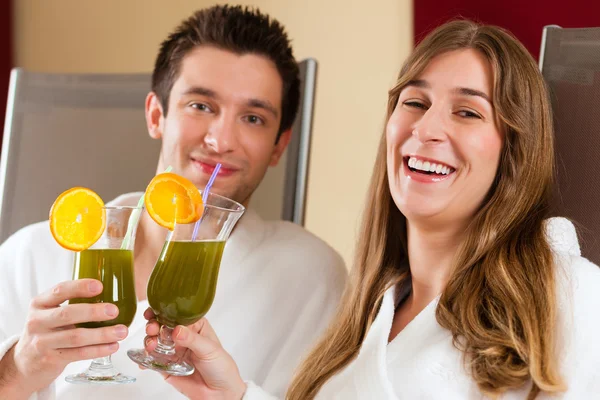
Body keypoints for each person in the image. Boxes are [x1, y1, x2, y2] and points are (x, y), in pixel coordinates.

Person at [143, 19, 600, 399]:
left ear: (513, 151)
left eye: (467, 112)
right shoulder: (369, 311)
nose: (426, 128)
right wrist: (235, 396)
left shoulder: (568, 297)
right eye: (415, 102)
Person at [0, 5, 347, 399]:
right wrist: (16, 370)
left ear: (278, 145)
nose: (221, 140)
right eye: (201, 106)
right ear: (155, 115)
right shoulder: (29, 255)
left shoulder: (309, 278)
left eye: (253, 118)